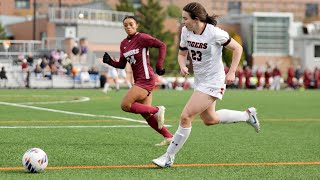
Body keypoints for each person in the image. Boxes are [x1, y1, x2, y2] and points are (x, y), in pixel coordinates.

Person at [152, 2, 260, 168]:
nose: (183, 22)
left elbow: (237, 48)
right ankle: (247, 116)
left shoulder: (214, 33)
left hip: (214, 80)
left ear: (196, 19)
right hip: (200, 80)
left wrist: (232, 72)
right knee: (210, 119)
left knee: (186, 116)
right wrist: (182, 65)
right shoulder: (185, 32)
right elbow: (182, 53)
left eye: (185, 18)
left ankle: (168, 157)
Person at [102, 16, 173, 146]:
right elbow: (122, 65)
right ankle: (169, 136)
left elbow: (162, 45)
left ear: (137, 25)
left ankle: (157, 109)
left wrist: (159, 66)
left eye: (131, 24)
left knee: (125, 105)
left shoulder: (142, 38)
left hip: (146, 79)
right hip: (139, 80)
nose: (128, 27)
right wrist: (110, 62)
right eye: (125, 25)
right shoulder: (123, 44)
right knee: (146, 115)